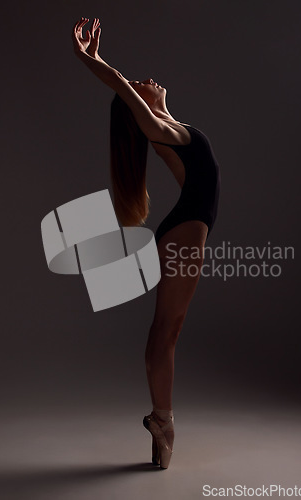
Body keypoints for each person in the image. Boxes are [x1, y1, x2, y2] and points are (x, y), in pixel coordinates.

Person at [72, 17, 221, 469]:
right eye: (139, 87)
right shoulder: (163, 131)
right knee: (166, 330)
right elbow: (121, 86)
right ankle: (162, 420)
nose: (147, 81)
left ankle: (162, 423)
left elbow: (132, 91)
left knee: (166, 329)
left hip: (184, 229)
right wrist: (89, 59)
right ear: (140, 109)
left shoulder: (173, 128)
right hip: (185, 230)